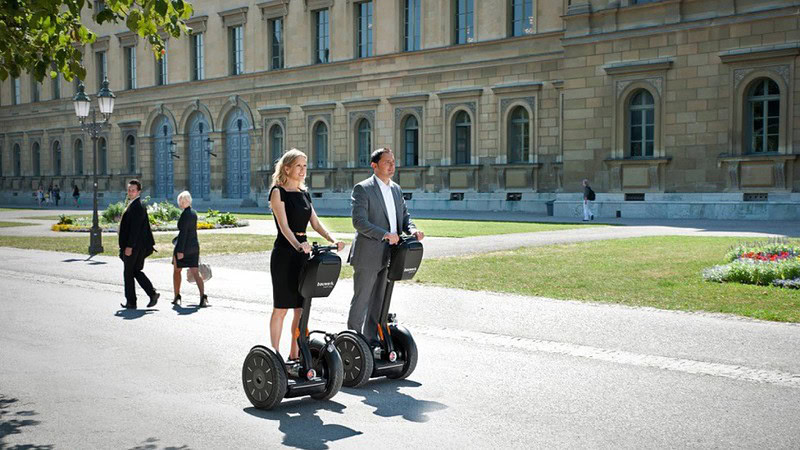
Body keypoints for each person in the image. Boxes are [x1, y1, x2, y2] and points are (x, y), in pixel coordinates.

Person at [269, 149, 343, 362]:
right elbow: (283, 227)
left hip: (303, 256)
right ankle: (274, 356)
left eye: (305, 166)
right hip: (284, 254)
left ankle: (296, 353)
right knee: (281, 308)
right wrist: (298, 244)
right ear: (287, 168)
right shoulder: (278, 192)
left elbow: (316, 223)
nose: (303, 170)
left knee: (301, 310)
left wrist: (332, 239)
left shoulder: (304, 194)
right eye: (299, 166)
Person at [348, 148, 424, 352]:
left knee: (379, 301)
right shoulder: (363, 189)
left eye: (393, 162)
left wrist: (413, 229)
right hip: (368, 253)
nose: (392, 166)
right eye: (387, 162)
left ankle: (371, 341)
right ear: (374, 165)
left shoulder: (396, 189)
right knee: (362, 300)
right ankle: (354, 344)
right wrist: (384, 234)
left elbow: (405, 216)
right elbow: (359, 222)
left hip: (391, 254)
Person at [118, 179, 159, 309]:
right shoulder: (134, 205)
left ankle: (131, 302)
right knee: (135, 271)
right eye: (129, 190)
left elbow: (135, 230)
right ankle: (152, 294)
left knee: (128, 274)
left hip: (134, 247)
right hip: (137, 246)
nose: (130, 192)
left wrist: (129, 246)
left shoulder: (137, 206)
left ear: (139, 191)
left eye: (133, 190)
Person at [171, 190, 207, 307]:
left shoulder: (185, 215)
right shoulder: (193, 213)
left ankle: (177, 295)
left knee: (177, 271)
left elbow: (184, 233)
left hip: (184, 247)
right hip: (194, 246)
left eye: (182, 201)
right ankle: (203, 296)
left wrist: (180, 250)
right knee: (196, 272)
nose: (181, 203)